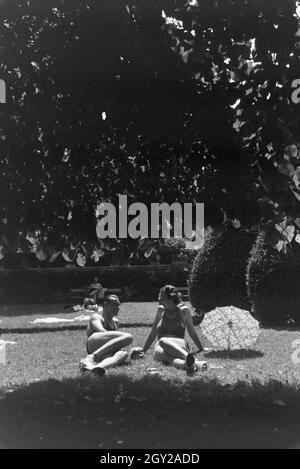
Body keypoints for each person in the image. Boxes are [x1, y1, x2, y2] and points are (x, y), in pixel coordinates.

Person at [132, 285, 206, 375]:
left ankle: (188, 357)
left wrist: (201, 348)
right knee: (167, 355)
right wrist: (143, 351)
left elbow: (192, 331)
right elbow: (153, 332)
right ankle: (191, 364)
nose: (160, 300)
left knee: (163, 341)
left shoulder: (183, 311)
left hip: (179, 343)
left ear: (172, 298)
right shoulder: (160, 310)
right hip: (160, 346)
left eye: (162, 298)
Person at [79, 295, 133, 376]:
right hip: (94, 342)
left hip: (104, 351)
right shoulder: (97, 317)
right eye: (114, 305)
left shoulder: (116, 322)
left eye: (118, 305)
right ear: (105, 305)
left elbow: (115, 343)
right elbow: (102, 331)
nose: (117, 308)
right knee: (128, 337)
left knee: (123, 354)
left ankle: (95, 368)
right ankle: (91, 357)